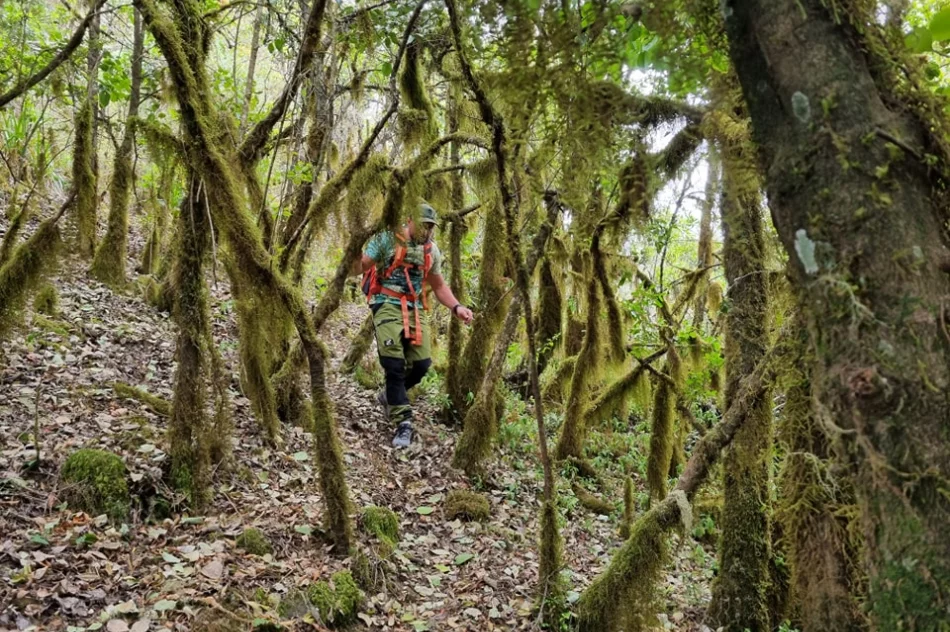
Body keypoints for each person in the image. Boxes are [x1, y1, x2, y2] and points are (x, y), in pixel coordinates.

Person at [352, 203, 474, 447]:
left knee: (421, 365)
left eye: (430, 227)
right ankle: (403, 422)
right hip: (385, 303)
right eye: (423, 225)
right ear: (409, 221)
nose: (426, 231)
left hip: (414, 309)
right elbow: (360, 267)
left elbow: (438, 286)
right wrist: (353, 249)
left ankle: (390, 395)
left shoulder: (431, 251)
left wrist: (457, 307)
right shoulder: (386, 240)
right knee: (393, 364)